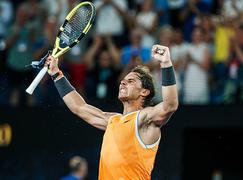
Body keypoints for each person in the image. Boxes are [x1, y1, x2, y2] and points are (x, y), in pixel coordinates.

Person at [46, 44, 178, 179]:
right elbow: (78, 107)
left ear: (144, 92)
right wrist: (56, 74)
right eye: (123, 81)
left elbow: (170, 105)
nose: (123, 83)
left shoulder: (144, 119)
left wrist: (166, 63)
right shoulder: (112, 120)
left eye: (130, 81)